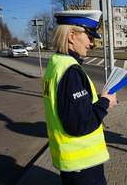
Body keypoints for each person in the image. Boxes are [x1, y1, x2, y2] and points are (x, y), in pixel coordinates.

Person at [42, 10, 117, 185]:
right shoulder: (71, 70)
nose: (91, 43)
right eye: (89, 37)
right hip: (83, 163)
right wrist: (105, 102)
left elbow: (67, 106)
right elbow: (81, 124)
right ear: (71, 35)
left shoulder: (56, 63)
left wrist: (92, 99)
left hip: (71, 162)